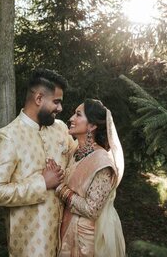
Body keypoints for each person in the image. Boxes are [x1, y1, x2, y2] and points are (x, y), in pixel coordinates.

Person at [0, 68, 77, 257]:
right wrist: (42, 183)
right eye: (56, 102)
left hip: (68, 238)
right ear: (39, 99)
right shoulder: (8, 136)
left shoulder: (61, 129)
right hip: (31, 244)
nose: (60, 109)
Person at [57, 99, 125, 256]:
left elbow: (92, 210)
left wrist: (60, 188)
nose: (71, 119)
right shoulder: (75, 151)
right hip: (66, 229)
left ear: (92, 126)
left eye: (78, 115)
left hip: (85, 241)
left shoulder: (102, 162)